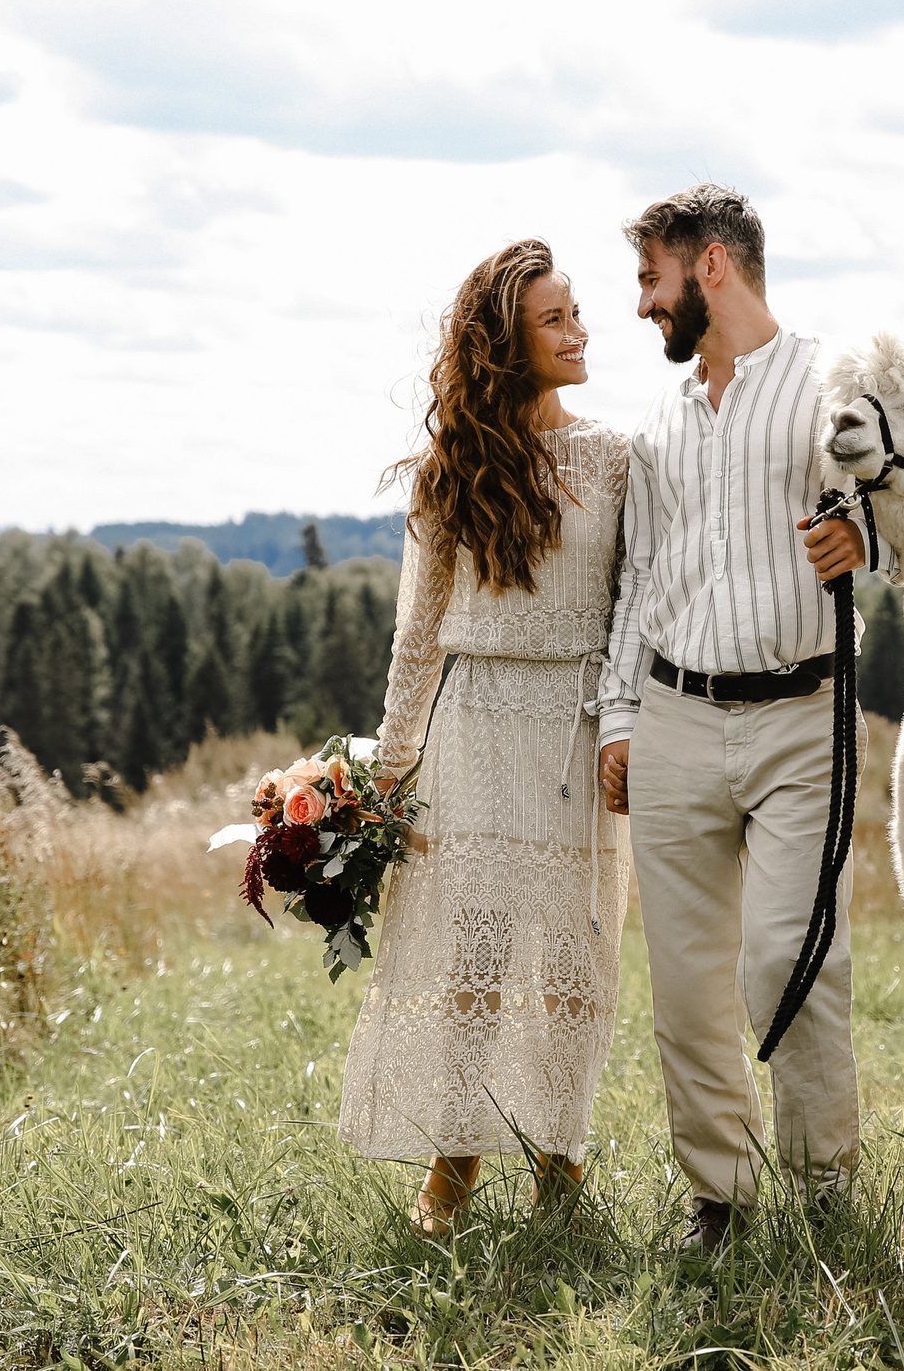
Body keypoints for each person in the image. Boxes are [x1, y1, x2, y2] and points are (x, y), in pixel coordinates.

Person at [594, 184, 882, 1251]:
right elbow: (640, 577)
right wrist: (617, 717)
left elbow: (880, 512)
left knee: (787, 953)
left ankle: (821, 1192)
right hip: (672, 715)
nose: (639, 306)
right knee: (683, 976)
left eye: (648, 279)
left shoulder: (826, 386)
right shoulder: (661, 421)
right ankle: (719, 1199)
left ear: (709, 266)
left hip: (804, 714)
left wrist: (865, 545)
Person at [338, 239, 632, 1234]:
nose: (578, 329)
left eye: (577, 310)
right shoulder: (449, 469)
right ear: (508, 341)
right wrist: (388, 771)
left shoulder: (617, 456)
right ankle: (451, 1169)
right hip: (475, 728)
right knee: (474, 958)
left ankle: (561, 1167)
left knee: (572, 964)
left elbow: (638, 604)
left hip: (582, 730)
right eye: (555, 318)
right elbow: (416, 634)